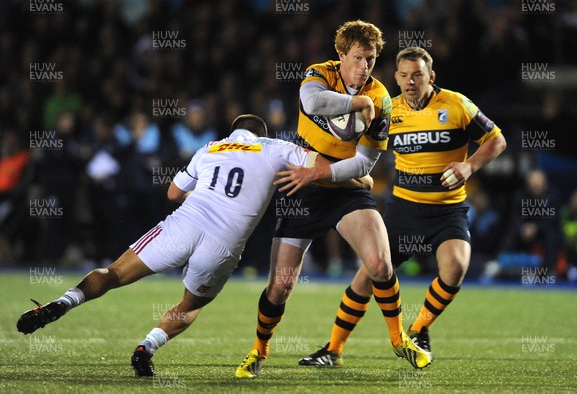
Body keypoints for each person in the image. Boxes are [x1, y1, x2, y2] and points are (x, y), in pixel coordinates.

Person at [16, 114, 357, 377]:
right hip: (223, 243)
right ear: (260, 131)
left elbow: (173, 193)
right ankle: (147, 346)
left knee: (114, 273)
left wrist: (206, 192)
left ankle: (63, 302)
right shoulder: (275, 148)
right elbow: (324, 167)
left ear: (232, 131)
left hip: (185, 222)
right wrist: (360, 173)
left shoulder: (209, 148)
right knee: (190, 305)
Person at [235, 21, 432, 379]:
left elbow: (364, 164)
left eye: (371, 60)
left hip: (343, 186)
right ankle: (258, 351)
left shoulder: (382, 99)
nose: (364, 67)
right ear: (341, 55)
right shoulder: (320, 74)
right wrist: (357, 103)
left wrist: (321, 173)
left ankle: (398, 337)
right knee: (280, 286)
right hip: (302, 184)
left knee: (380, 264)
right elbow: (310, 101)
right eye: (357, 58)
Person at [298, 46, 506, 367]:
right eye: (404, 76)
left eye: (418, 75)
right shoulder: (387, 111)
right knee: (368, 276)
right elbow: (358, 152)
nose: (410, 82)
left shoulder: (456, 105)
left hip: (447, 210)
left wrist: (469, 167)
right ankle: (333, 350)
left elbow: (496, 140)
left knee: (456, 268)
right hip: (403, 210)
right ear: (396, 78)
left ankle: (419, 329)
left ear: (431, 76)